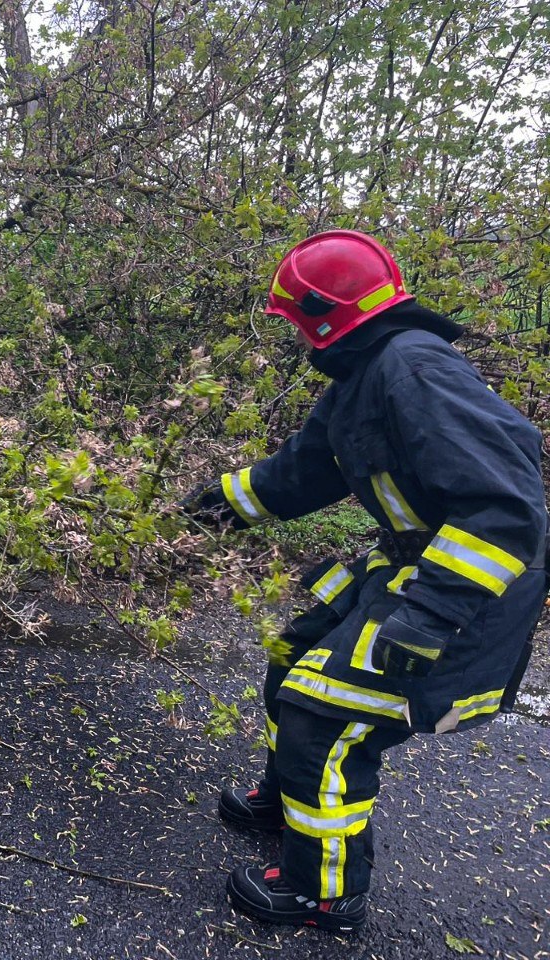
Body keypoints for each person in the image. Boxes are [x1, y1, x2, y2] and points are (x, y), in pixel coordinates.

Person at [183, 230, 547, 932]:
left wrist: (432, 610)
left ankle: (324, 891)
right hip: (416, 561)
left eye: (296, 325)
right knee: (296, 651)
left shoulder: (414, 370)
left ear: (323, 316)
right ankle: (290, 799)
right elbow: (299, 473)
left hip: (468, 584)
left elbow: (507, 508)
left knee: (328, 720)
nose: (296, 340)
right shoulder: (364, 378)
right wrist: (210, 508)